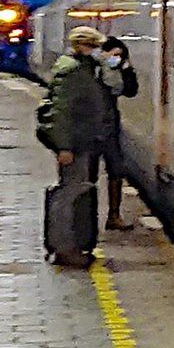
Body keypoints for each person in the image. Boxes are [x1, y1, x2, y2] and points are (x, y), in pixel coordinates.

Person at [38, 29, 118, 266]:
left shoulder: (81, 68)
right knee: (69, 194)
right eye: (93, 46)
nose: (97, 51)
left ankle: (68, 246)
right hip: (75, 143)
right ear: (81, 46)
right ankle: (64, 249)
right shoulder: (73, 72)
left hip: (81, 141)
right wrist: (64, 147)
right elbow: (61, 112)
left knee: (73, 191)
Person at [90, 30, 142, 225]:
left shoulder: (117, 73)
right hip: (90, 127)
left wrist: (126, 68)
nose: (115, 59)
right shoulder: (91, 68)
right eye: (113, 55)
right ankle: (89, 217)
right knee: (89, 173)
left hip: (110, 126)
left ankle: (113, 215)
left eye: (119, 56)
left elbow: (130, 90)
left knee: (116, 170)